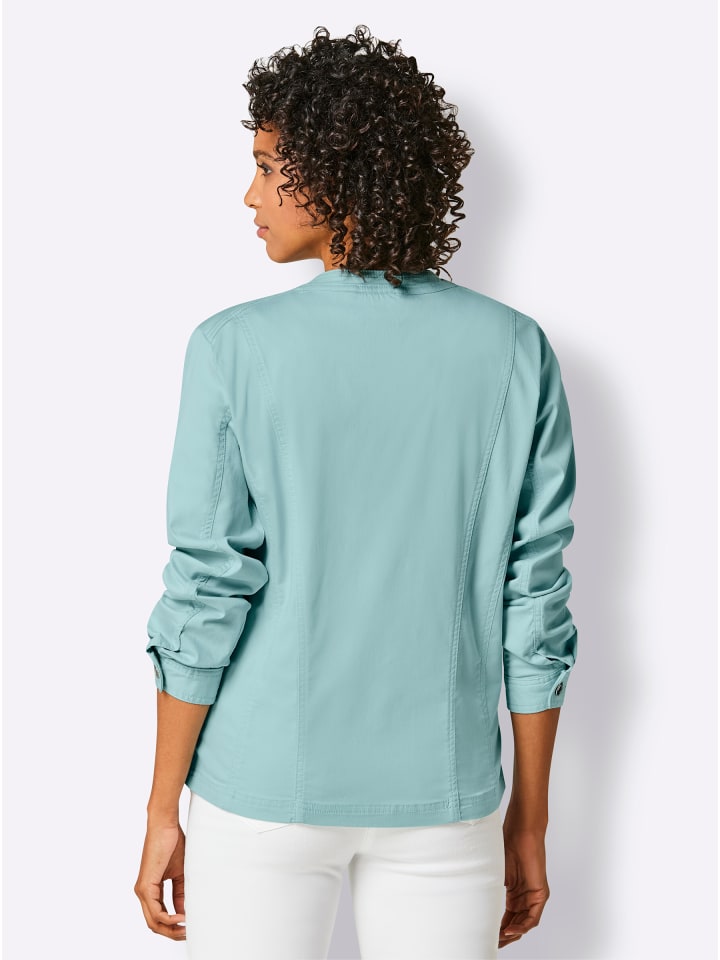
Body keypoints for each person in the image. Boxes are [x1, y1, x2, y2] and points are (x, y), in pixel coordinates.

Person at [134, 24, 579, 960]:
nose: (250, 195)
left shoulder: (232, 348)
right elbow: (534, 604)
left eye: (267, 167)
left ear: (337, 173)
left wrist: (162, 805)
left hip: (262, 790)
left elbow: (207, 590)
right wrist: (529, 822)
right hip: (447, 797)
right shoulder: (514, 349)